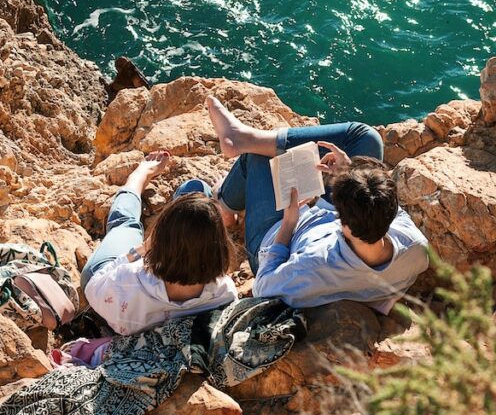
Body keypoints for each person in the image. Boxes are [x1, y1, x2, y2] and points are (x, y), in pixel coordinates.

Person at [206, 97, 428, 312]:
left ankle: (225, 205)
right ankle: (243, 140)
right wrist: (347, 173)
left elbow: (262, 286)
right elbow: (377, 205)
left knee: (258, 157)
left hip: (277, 236)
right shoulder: (415, 246)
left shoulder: (313, 265)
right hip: (326, 224)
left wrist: (288, 223)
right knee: (367, 138)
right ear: (390, 213)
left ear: (343, 222)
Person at [79, 151, 237, 341]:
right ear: (219, 248)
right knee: (199, 200)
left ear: (159, 241)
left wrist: (140, 250)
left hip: (106, 287)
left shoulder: (129, 279)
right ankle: (196, 213)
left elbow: (94, 285)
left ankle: (139, 178)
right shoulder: (224, 292)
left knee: (125, 223)